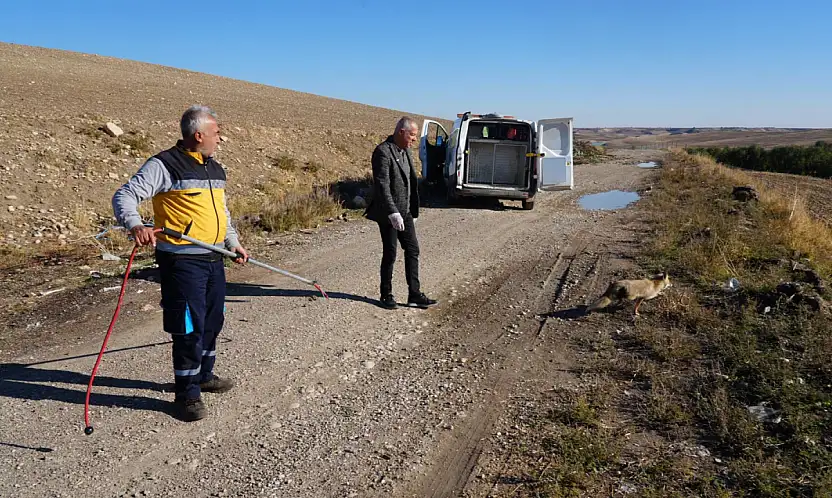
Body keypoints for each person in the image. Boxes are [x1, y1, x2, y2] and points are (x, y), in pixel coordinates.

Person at [112, 105, 248, 422]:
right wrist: (135, 225)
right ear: (198, 135)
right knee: (188, 327)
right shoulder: (164, 165)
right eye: (216, 133)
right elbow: (125, 196)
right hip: (182, 261)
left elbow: (221, 212)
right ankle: (186, 393)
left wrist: (233, 241)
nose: (221, 138)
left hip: (215, 257)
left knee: (213, 320)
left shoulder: (214, 169)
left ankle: (204, 374)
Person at [365, 117, 437, 310]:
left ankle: (414, 294)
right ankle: (385, 294)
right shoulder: (382, 152)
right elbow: (383, 185)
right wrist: (392, 212)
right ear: (401, 132)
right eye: (412, 135)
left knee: (413, 250)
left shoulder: (405, 151)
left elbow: (411, 181)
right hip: (389, 213)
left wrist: (411, 209)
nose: (414, 139)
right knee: (390, 253)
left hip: (404, 211)